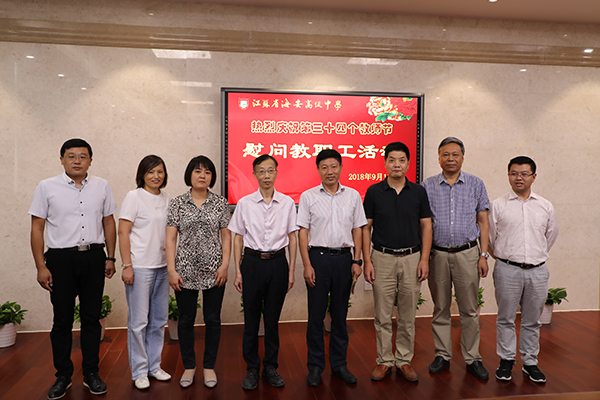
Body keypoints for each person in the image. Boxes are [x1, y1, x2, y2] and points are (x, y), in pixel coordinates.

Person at [29, 138, 117, 399]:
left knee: (91, 318)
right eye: (71, 156)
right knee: (62, 319)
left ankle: (91, 373)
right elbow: (37, 228)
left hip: (94, 257)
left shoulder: (102, 185)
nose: (77, 161)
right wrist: (41, 266)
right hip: (60, 260)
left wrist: (111, 257)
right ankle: (63, 375)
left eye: (82, 156)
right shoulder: (46, 187)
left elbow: (109, 222)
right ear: (61, 159)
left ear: (90, 160)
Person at [363, 141, 432, 382]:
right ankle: (384, 360)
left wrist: (424, 259)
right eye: (392, 160)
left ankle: (403, 360)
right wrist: (367, 261)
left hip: (412, 258)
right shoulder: (374, 192)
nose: (397, 164)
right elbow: (366, 228)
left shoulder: (418, 192)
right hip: (381, 258)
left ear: (408, 164)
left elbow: (426, 226)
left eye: (401, 160)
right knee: (382, 314)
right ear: (385, 163)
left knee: (407, 314)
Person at [422, 137, 490, 380]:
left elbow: (483, 222)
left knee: (469, 309)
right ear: (438, 158)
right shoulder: (427, 185)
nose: (450, 159)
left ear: (462, 157)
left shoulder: (475, 184)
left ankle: (472, 358)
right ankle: (442, 354)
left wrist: (483, 255)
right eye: (445, 155)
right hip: (437, 255)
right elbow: (423, 224)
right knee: (440, 307)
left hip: (467, 254)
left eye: (455, 154)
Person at [297, 149, 366, 387]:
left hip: (344, 260)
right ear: (318, 170)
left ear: (341, 168)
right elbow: (303, 232)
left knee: (339, 315)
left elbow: (358, 229)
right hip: (317, 259)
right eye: (324, 167)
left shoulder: (353, 195)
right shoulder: (308, 196)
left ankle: (339, 365)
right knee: (315, 316)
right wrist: (307, 264)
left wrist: (357, 261)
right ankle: (315, 366)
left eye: (334, 166)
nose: (330, 171)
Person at [228, 154, 298, 390]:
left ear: (276, 172)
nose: (266, 175)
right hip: (252, 263)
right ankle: (251, 368)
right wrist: (238, 271)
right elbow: (238, 238)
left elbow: (292, 237)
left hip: (278, 263)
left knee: (272, 320)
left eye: (270, 170)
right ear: (254, 174)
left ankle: (270, 367)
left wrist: (291, 271)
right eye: (261, 171)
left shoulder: (287, 203)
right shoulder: (245, 203)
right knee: (250, 320)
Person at [488, 156, 558, 383]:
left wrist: (534, 257)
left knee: (533, 320)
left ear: (533, 177)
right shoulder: (498, 205)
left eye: (524, 174)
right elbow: (490, 239)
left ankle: (530, 362)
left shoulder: (545, 206)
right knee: (505, 318)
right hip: (507, 269)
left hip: (538, 271)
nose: (519, 178)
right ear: (508, 175)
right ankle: (506, 360)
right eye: (514, 173)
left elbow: (550, 236)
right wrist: (506, 257)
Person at [166, 155, 231, 389]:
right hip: (184, 270)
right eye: (197, 171)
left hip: (215, 270)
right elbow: (171, 238)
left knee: (213, 319)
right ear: (189, 175)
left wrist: (225, 265)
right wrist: (171, 270)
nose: (202, 175)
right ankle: (189, 366)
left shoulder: (220, 203)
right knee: (186, 320)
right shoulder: (177, 203)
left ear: (212, 177)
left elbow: (226, 236)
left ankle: (209, 366)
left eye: (207, 172)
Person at [118, 155, 172, 390]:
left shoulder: (168, 199)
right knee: (138, 322)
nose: (155, 176)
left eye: (159, 171)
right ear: (142, 174)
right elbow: (123, 232)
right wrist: (127, 265)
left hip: (162, 267)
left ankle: (154, 366)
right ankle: (139, 371)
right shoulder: (134, 196)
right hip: (140, 267)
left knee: (158, 321)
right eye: (151, 172)